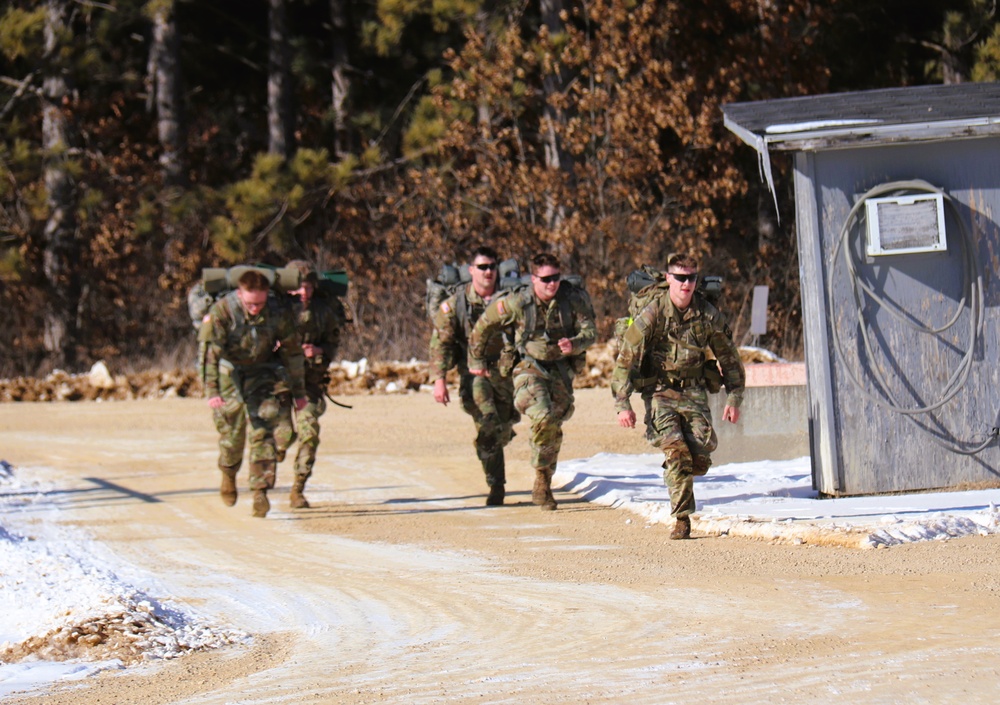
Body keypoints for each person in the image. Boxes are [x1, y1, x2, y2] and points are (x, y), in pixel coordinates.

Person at [611, 253, 746, 539]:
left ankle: (679, 470)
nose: (686, 284)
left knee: (701, 451)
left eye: (692, 278)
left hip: (694, 390)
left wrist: (734, 398)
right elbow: (626, 358)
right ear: (669, 279)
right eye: (681, 278)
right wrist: (623, 403)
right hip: (660, 391)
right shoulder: (653, 313)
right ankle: (682, 518)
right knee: (676, 451)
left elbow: (729, 357)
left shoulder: (707, 314)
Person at [468, 253, 596, 510]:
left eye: (556, 278)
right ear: (534, 279)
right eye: (546, 279)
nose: (552, 284)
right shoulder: (517, 302)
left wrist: (575, 343)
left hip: (560, 369)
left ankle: (543, 479)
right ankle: (540, 475)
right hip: (527, 367)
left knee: (553, 426)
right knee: (543, 416)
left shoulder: (572, 299)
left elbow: (590, 331)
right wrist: (477, 361)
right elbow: (483, 326)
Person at [201, 268, 307, 518]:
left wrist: (299, 392)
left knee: (264, 430)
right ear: (240, 294)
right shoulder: (223, 312)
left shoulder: (277, 312)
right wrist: (212, 391)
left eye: (260, 302)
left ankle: (260, 491)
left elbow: (293, 352)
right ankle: (228, 472)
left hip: (262, 372)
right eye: (250, 303)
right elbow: (209, 355)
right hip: (230, 374)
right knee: (233, 435)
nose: (255, 308)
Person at [429, 246, 517, 506]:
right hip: (474, 373)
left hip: (506, 373)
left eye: (491, 266)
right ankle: (497, 486)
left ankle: (498, 439)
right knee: (488, 423)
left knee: (503, 425)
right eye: (482, 267)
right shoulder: (457, 303)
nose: (488, 272)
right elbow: (440, 343)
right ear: (471, 271)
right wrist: (439, 379)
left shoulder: (510, 299)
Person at [283, 259, 346, 509]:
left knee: (309, 433)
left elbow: (333, 343)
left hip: (307, 384)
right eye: (298, 288)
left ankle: (298, 488)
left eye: (308, 287)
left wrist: (319, 350)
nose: (303, 293)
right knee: (283, 436)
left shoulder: (323, 312)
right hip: (277, 384)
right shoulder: (274, 311)